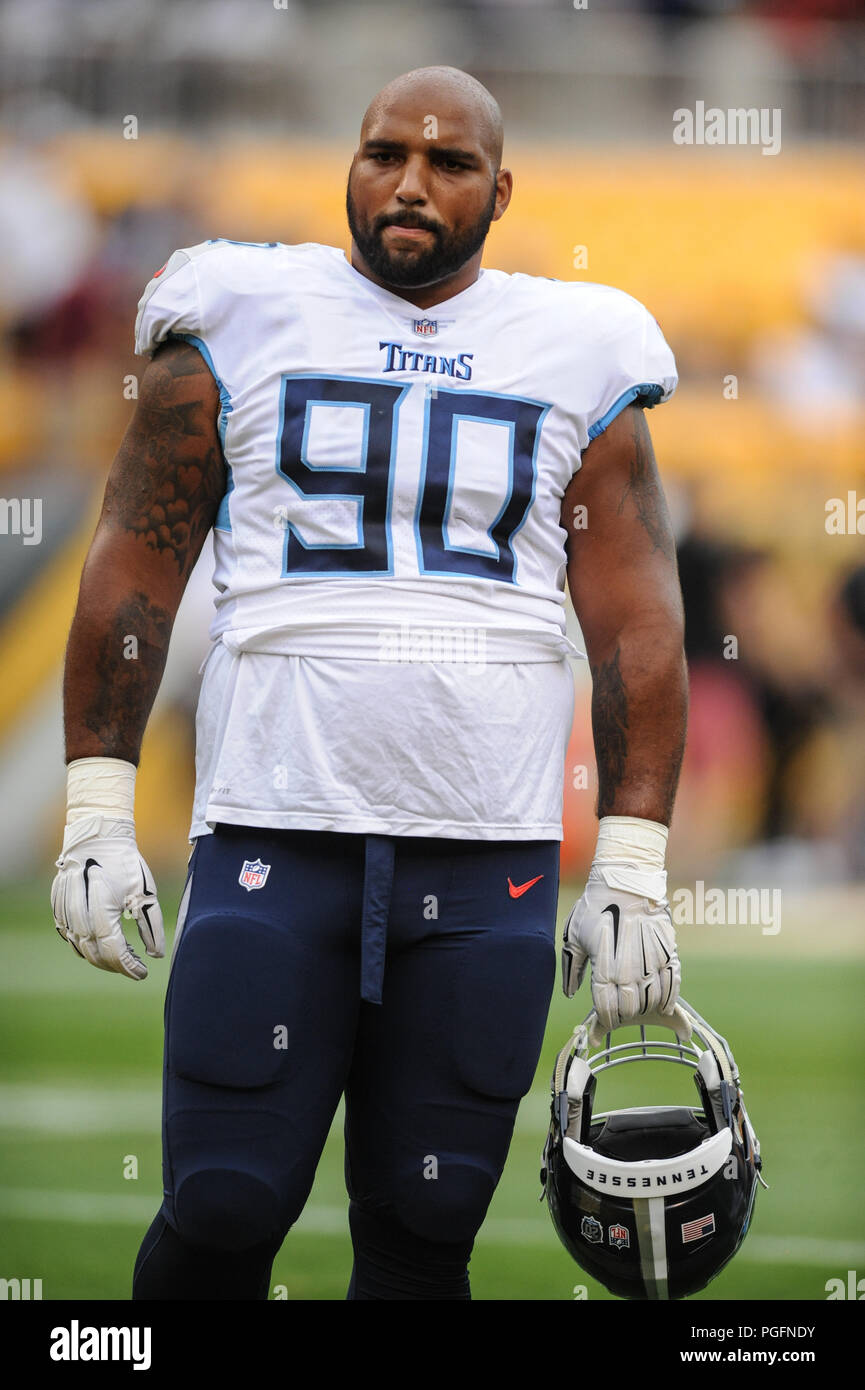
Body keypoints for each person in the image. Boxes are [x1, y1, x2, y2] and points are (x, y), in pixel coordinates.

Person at [50, 66, 688, 1301]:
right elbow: (134, 565)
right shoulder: (240, 309)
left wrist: (633, 866)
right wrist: (94, 808)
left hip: (482, 855)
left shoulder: (580, 345)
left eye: (449, 164)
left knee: (425, 1225)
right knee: (224, 1204)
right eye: (383, 151)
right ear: (348, 162)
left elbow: (638, 624)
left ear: (500, 191)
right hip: (272, 835)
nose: (407, 182)